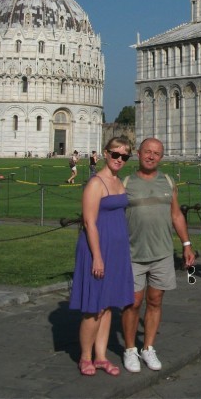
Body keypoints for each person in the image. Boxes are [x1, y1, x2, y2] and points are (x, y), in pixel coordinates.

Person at [121, 137, 196, 373]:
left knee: (155, 301)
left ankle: (148, 347)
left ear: (161, 157)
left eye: (156, 153)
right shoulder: (124, 182)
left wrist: (186, 244)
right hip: (132, 253)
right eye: (147, 152)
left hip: (162, 253)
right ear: (139, 153)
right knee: (133, 303)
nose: (151, 156)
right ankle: (130, 350)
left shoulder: (167, 181)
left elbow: (176, 215)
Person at [69, 136, 135, 377]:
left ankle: (101, 356)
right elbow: (89, 222)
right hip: (97, 248)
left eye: (124, 156)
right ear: (105, 154)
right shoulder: (96, 183)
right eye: (115, 154)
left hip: (117, 250)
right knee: (94, 306)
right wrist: (97, 256)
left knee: (108, 307)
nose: (119, 159)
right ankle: (85, 357)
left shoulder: (118, 182)